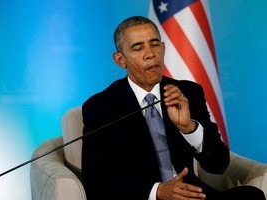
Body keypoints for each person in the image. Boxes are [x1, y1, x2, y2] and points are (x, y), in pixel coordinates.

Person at [81, 16, 265, 200]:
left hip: (191, 195)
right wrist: (159, 191)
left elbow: (218, 164)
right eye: (138, 48)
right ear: (120, 60)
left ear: (163, 48)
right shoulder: (100, 106)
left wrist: (189, 128)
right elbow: (96, 182)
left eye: (154, 44)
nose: (150, 53)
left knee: (251, 196)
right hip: (144, 196)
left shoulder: (187, 92)